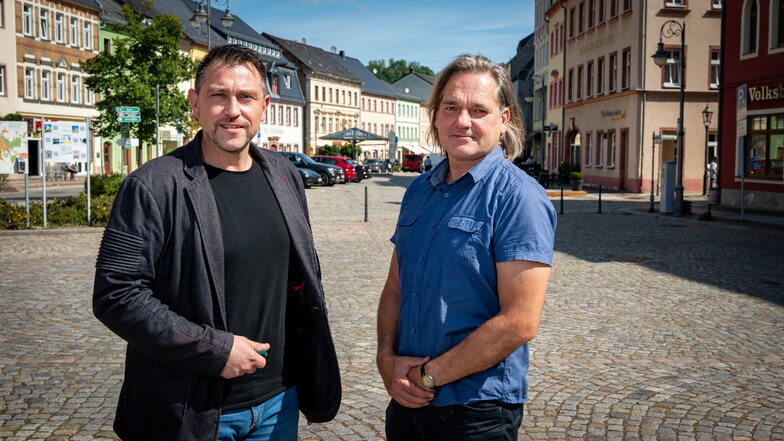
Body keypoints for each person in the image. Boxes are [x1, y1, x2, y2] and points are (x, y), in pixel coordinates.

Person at [92, 44, 341, 441]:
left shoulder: (284, 176)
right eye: (217, 95)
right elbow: (116, 294)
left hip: (278, 401)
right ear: (195, 102)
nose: (232, 110)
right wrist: (214, 349)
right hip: (192, 408)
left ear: (264, 105)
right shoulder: (152, 186)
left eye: (245, 97)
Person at [376, 55, 557, 441]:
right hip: (406, 404)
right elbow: (396, 287)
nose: (462, 121)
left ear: (503, 119)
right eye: (451, 108)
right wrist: (386, 358)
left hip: (477, 412)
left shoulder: (518, 197)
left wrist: (426, 376)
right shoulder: (420, 190)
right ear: (436, 115)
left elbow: (520, 321)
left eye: (479, 110)